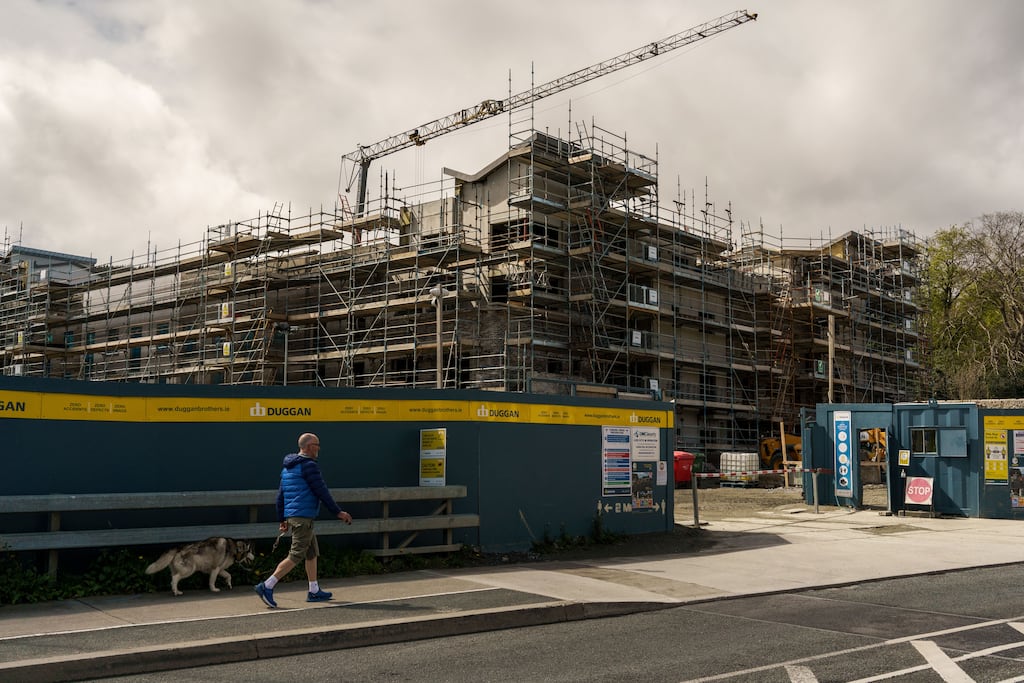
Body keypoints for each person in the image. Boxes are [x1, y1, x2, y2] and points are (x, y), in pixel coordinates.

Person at [255, 432, 353, 608]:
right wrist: (338, 512)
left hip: (294, 516)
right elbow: (321, 491)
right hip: (303, 517)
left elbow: (280, 496)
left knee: (311, 552)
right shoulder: (309, 466)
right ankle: (267, 586)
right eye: (317, 445)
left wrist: (282, 519)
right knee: (296, 554)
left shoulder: (288, 467)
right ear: (309, 447)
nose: (319, 448)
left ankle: (314, 590)